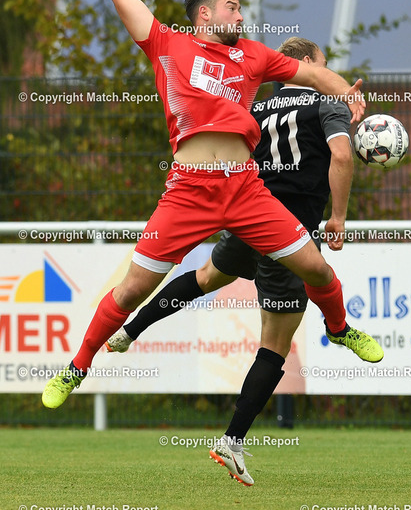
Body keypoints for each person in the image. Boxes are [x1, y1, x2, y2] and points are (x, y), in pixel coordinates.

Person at [42, 0, 366, 423]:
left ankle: (340, 328)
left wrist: (345, 94)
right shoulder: (167, 44)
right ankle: (77, 366)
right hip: (189, 190)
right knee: (132, 289)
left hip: (245, 188)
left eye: (241, 9)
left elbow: (313, 75)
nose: (241, 17)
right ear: (205, 15)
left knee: (315, 268)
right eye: (232, 8)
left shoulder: (253, 56)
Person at [105, 37, 383, 485]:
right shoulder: (326, 104)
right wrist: (338, 217)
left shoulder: (255, 107)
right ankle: (232, 441)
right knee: (275, 344)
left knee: (206, 276)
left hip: (246, 215)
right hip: (287, 234)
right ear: (306, 63)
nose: (327, 72)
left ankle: (129, 330)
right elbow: (341, 154)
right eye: (323, 64)